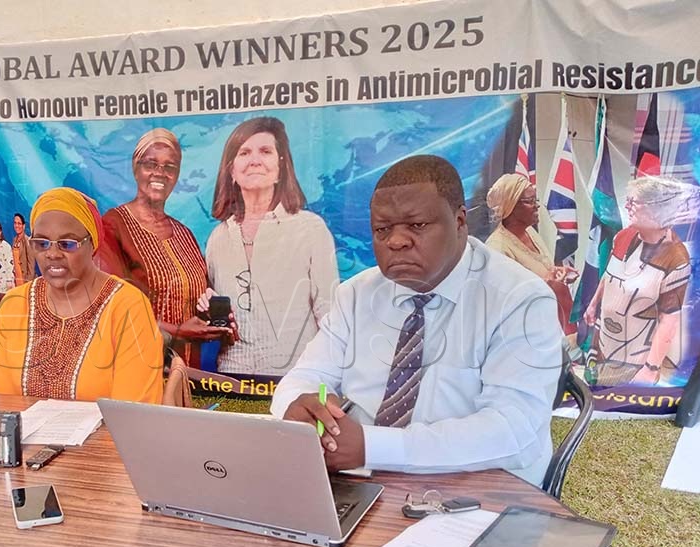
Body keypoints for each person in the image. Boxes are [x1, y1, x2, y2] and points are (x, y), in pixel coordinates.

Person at [270, 155, 561, 486]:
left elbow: (513, 429)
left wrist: (373, 447)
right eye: (382, 229)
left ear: (460, 221)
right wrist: (300, 407)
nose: (396, 241)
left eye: (417, 225)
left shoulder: (520, 300)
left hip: (479, 487)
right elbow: (305, 377)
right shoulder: (356, 294)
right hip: (360, 480)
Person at [0, 187, 164, 402]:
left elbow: (133, 413)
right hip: (20, 426)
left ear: (92, 244)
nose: (52, 254)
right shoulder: (15, 304)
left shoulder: (128, 307)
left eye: (67, 244)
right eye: (41, 243)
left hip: (108, 427)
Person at [203, 116, 338, 376]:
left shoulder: (310, 228)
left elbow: (329, 312)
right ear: (231, 171)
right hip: (232, 379)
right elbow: (214, 316)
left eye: (265, 151)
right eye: (244, 152)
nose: (254, 160)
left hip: (295, 378)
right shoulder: (218, 238)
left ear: (280, 167)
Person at [98, 128, 226, 366]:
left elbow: (200, 296)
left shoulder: (184, 234)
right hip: (139, 364)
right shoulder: (114, 225)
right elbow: (111, 306)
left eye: (170, 167)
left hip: (189, 371)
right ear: (135, 168)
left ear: (177, 175)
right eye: (151, 164)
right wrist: (178, 330)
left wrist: (211, 312)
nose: (160, 173)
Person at [584, 176, 693, 386]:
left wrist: (650, 369)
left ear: (656, 208)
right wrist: (594, 302)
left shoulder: (676, 259)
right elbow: (609, 273)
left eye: (633, 201)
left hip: (635, 358)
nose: (626, 206)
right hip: (603, 344)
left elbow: (669, 320)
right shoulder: (623, 236)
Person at [485, 173, 578, 334]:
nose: (536, 206)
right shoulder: (497, 249)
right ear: (511, 206)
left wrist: (557, 272)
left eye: (536, 200)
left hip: (554, 325)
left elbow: (541, 269)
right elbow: (505, 304)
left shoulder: (530, 232)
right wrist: (547, 284)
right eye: (530, 201)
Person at [12, 213, 36, 285]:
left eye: (19, 223)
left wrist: (28, 283)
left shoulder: (27, 241)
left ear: (24, 226)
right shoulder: (14, 240)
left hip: (24, 279)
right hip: (16, 278)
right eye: (15, 223)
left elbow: (31, 265)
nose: (16, 225)